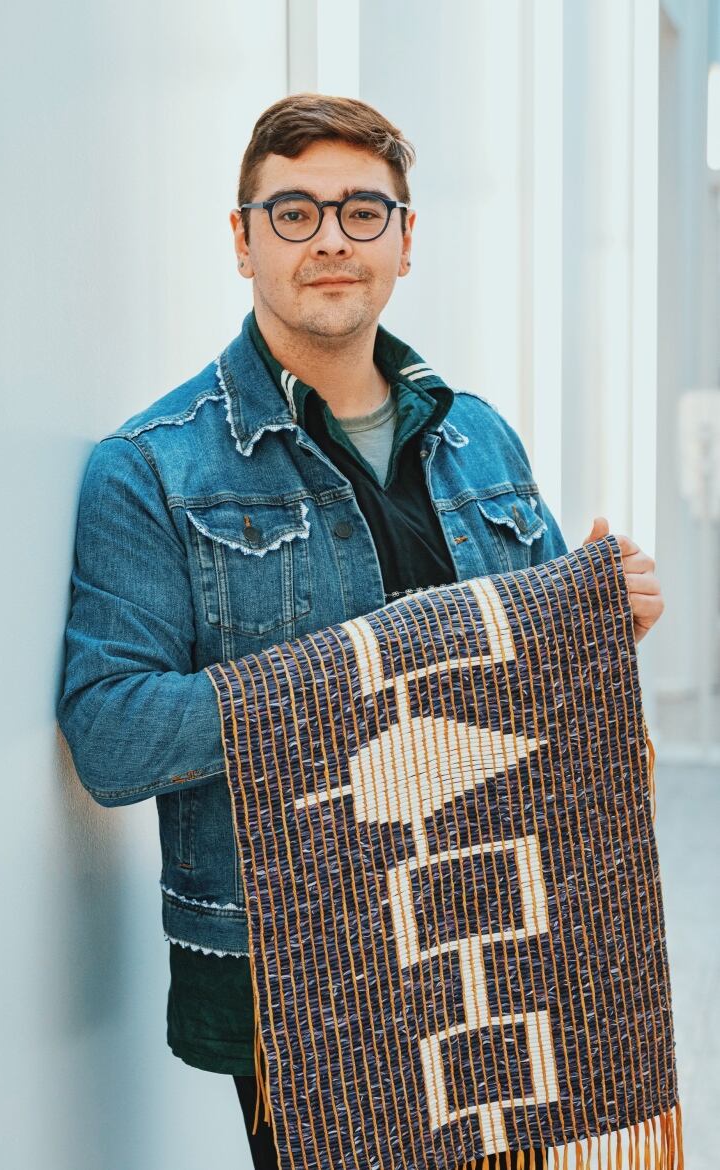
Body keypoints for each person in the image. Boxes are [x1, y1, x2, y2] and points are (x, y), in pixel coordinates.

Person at [57, 93, 664, 1170]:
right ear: (242, 242)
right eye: (293, 212)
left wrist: (606, 621)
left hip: (500, 931)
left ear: (406, 240)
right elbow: (110, 736)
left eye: (361, 211)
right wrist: (368, 673)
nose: (331, 237)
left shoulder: (481, 440)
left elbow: (535, 677)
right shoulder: (149, 469)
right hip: (305, 974)